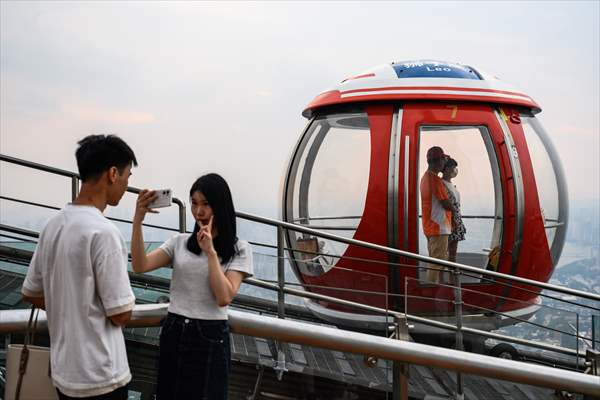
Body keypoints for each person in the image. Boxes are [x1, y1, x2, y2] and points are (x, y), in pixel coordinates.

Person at [21, 135, 137, 399]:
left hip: (65, 373)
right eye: (127, 177)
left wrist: (71, 306)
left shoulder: (53, 225)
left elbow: (31, 292)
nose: (127, 186)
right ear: (112, 173)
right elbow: (120, 313)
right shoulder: (104, 232)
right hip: (102, 375)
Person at [131, 173, 253, 399]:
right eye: (194, 203)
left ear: (221, 205)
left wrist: (210, 253)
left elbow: (224, 296)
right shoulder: (179, 243)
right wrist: (138, 220)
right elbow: (140, 265)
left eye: (206, 204)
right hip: (174, 329)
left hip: (210, 334)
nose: (199, 211)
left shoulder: (240, 249)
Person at [419, 146, 453, 283]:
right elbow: (446, 203)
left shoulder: (425, 178)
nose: (445, 163)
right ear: (437, 161)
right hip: (439, 227)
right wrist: (454, 208)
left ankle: (433, 287)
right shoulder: (434, 180)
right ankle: (431, 290)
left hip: (431, 226)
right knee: (437, 263)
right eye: (444, 160)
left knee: (435, 260)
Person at [441, 157, 466, 262]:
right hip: (448, 221)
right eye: (452, 167)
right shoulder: (441, 184)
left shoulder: (451, 185)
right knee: (443, 252)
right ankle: (443, 276)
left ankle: (452, 272)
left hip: (455, 219)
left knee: (453, 252)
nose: (454, 170)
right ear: (446, 168)